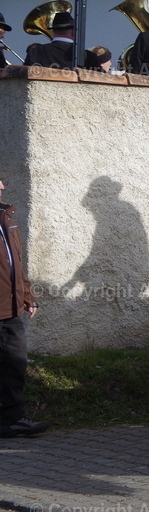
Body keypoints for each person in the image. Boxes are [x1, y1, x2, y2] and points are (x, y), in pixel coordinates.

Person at [0, 175, 47, 438]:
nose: (2, 187)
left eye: (1, 183)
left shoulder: (8, 218)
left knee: (14, 364)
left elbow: (16, 262)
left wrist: (28, 295)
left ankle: (13, 419)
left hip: (12, 306)